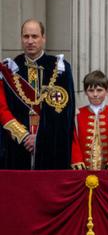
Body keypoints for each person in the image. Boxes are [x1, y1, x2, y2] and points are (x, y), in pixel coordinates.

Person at [0, 19, 75, 169]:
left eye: (34, 36)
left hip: (51, 146)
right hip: (18, 145)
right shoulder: (9, 69)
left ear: (43, 38)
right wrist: (24, 136)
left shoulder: (60, 68)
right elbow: (2, 109)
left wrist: (40, 139)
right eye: (26, 36)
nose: (30, 41)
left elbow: (65, 112)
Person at [71, 70, 108, 170]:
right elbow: (73, 139)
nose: (95, 94)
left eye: (99, 90)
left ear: (107, 91)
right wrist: (77, 160)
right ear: (85, 92)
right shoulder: (77, 114)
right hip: (83, 170)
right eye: (91, 91)